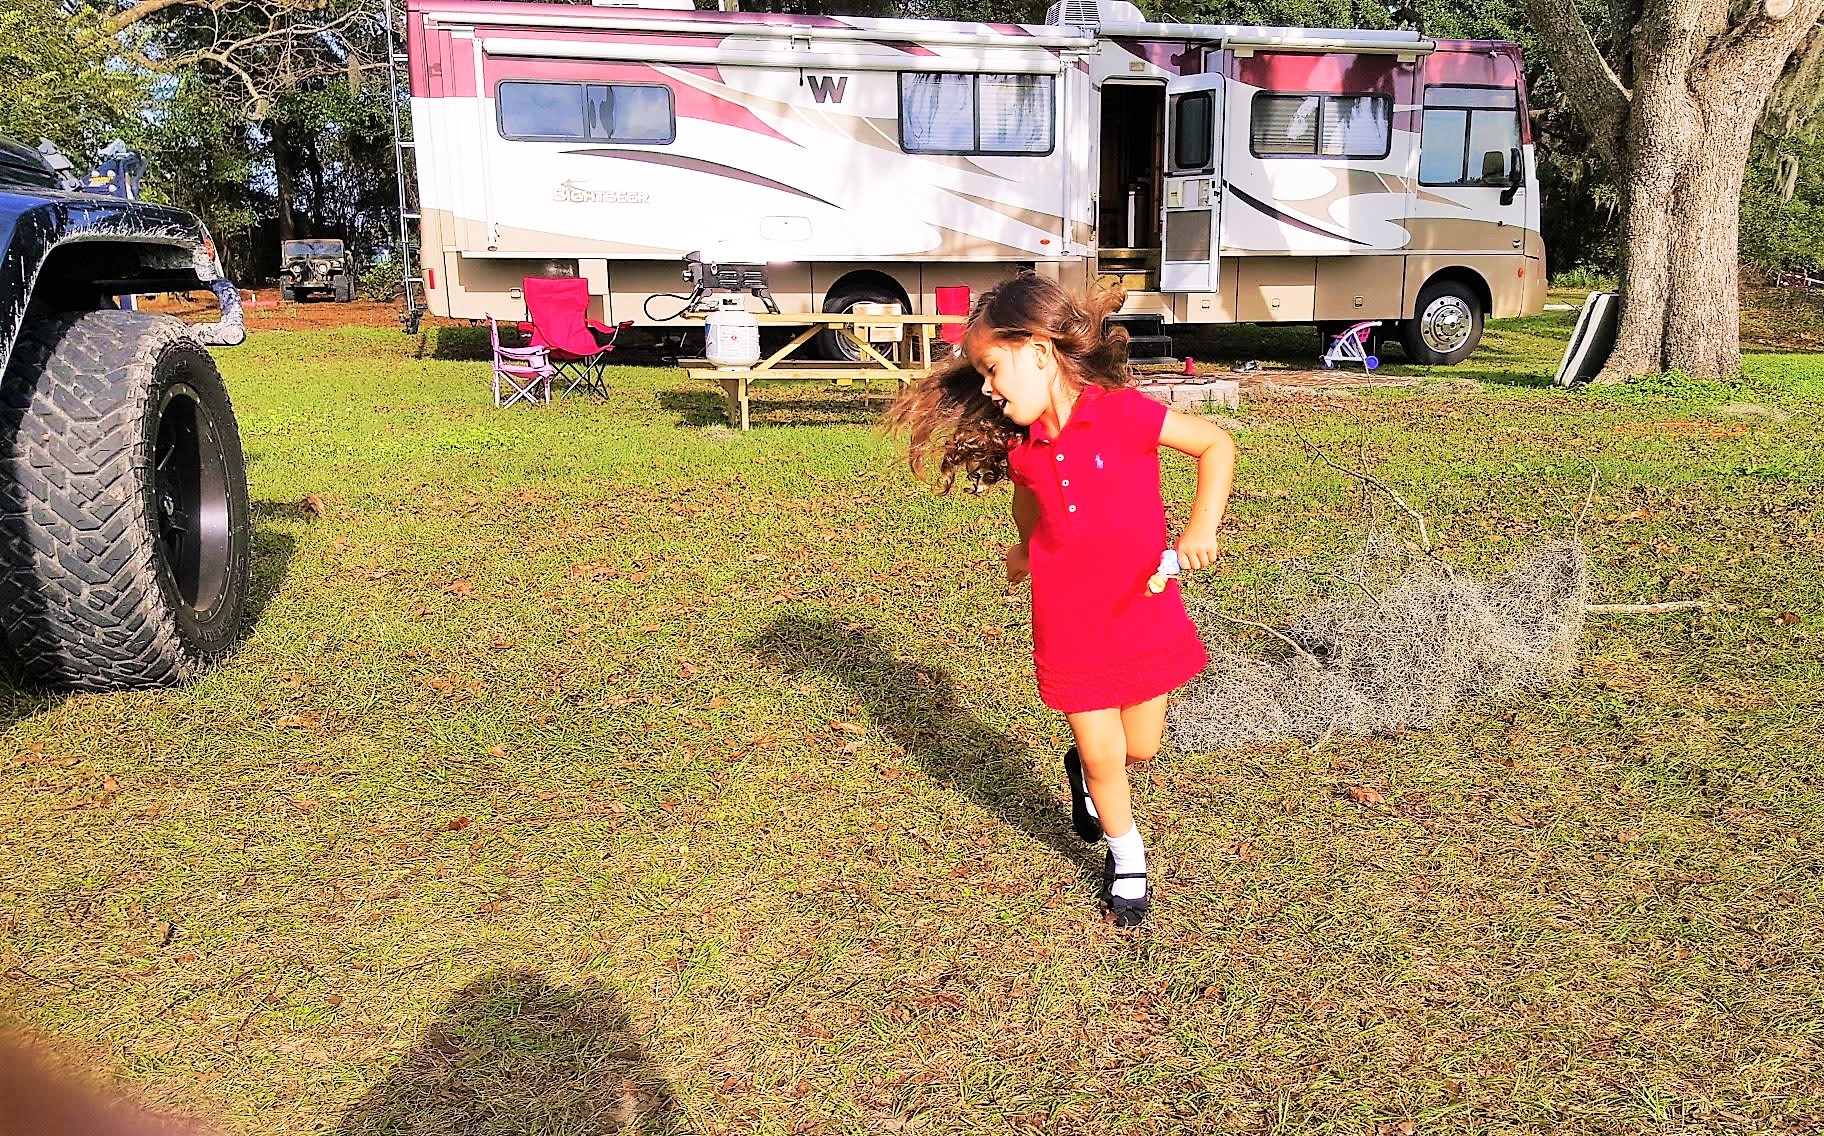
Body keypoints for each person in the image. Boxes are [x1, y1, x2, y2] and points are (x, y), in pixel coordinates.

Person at [888, 274, 1236, 928]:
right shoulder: (1023, 454)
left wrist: (1201, 528)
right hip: (1068, 619)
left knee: (1141, 747)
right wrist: (1024, 552)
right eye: (980, 374)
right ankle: (1126, 857)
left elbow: (1215, 444)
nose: (987, 388)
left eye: (993, 369)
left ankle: (1085, 767)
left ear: (1040, 351)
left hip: (1141, 608)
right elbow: (1031, 509)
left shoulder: (1124, 413)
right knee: (1106, 755)